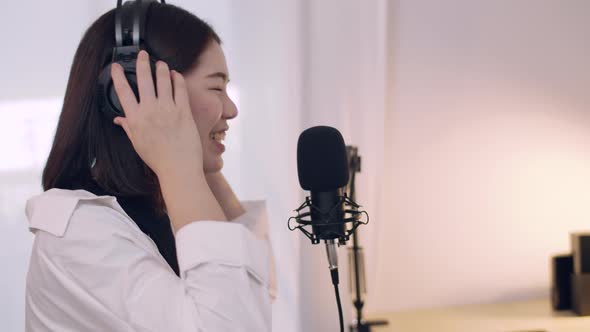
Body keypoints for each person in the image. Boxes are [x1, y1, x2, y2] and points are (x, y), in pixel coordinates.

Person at [23, 2, 276, 331]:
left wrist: (195, 165)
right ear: (138, 92)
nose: (231, 109)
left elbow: (254, 295)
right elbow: (234, 322)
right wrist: (180, 162)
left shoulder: (162, 208)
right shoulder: (79, 234)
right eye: (216, 87)